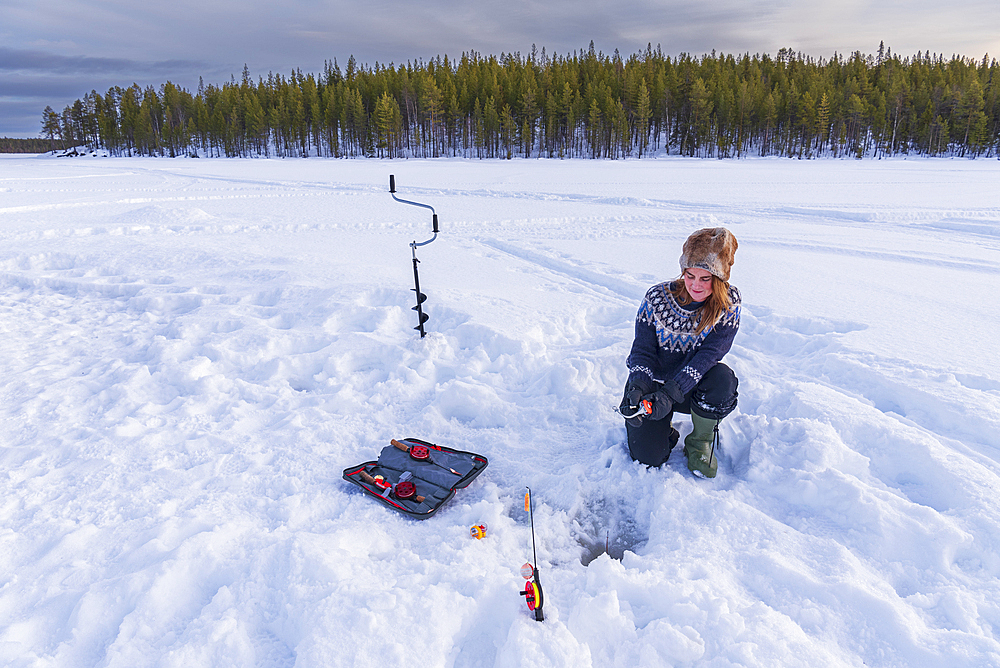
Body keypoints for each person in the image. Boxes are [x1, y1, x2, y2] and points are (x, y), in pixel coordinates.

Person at [619, 227, 741, 478]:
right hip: (654, 386)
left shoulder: (728, 304)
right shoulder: (657, 298)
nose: (695, 284)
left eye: (705, 278)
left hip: (691, 386)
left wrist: (671, 393)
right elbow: (643, 349)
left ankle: (699, 442)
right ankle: (664, 431)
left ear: (719, 278)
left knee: (722, 378)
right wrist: (639, 386)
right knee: (649, 457)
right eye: (689, 275)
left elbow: (708, 356)